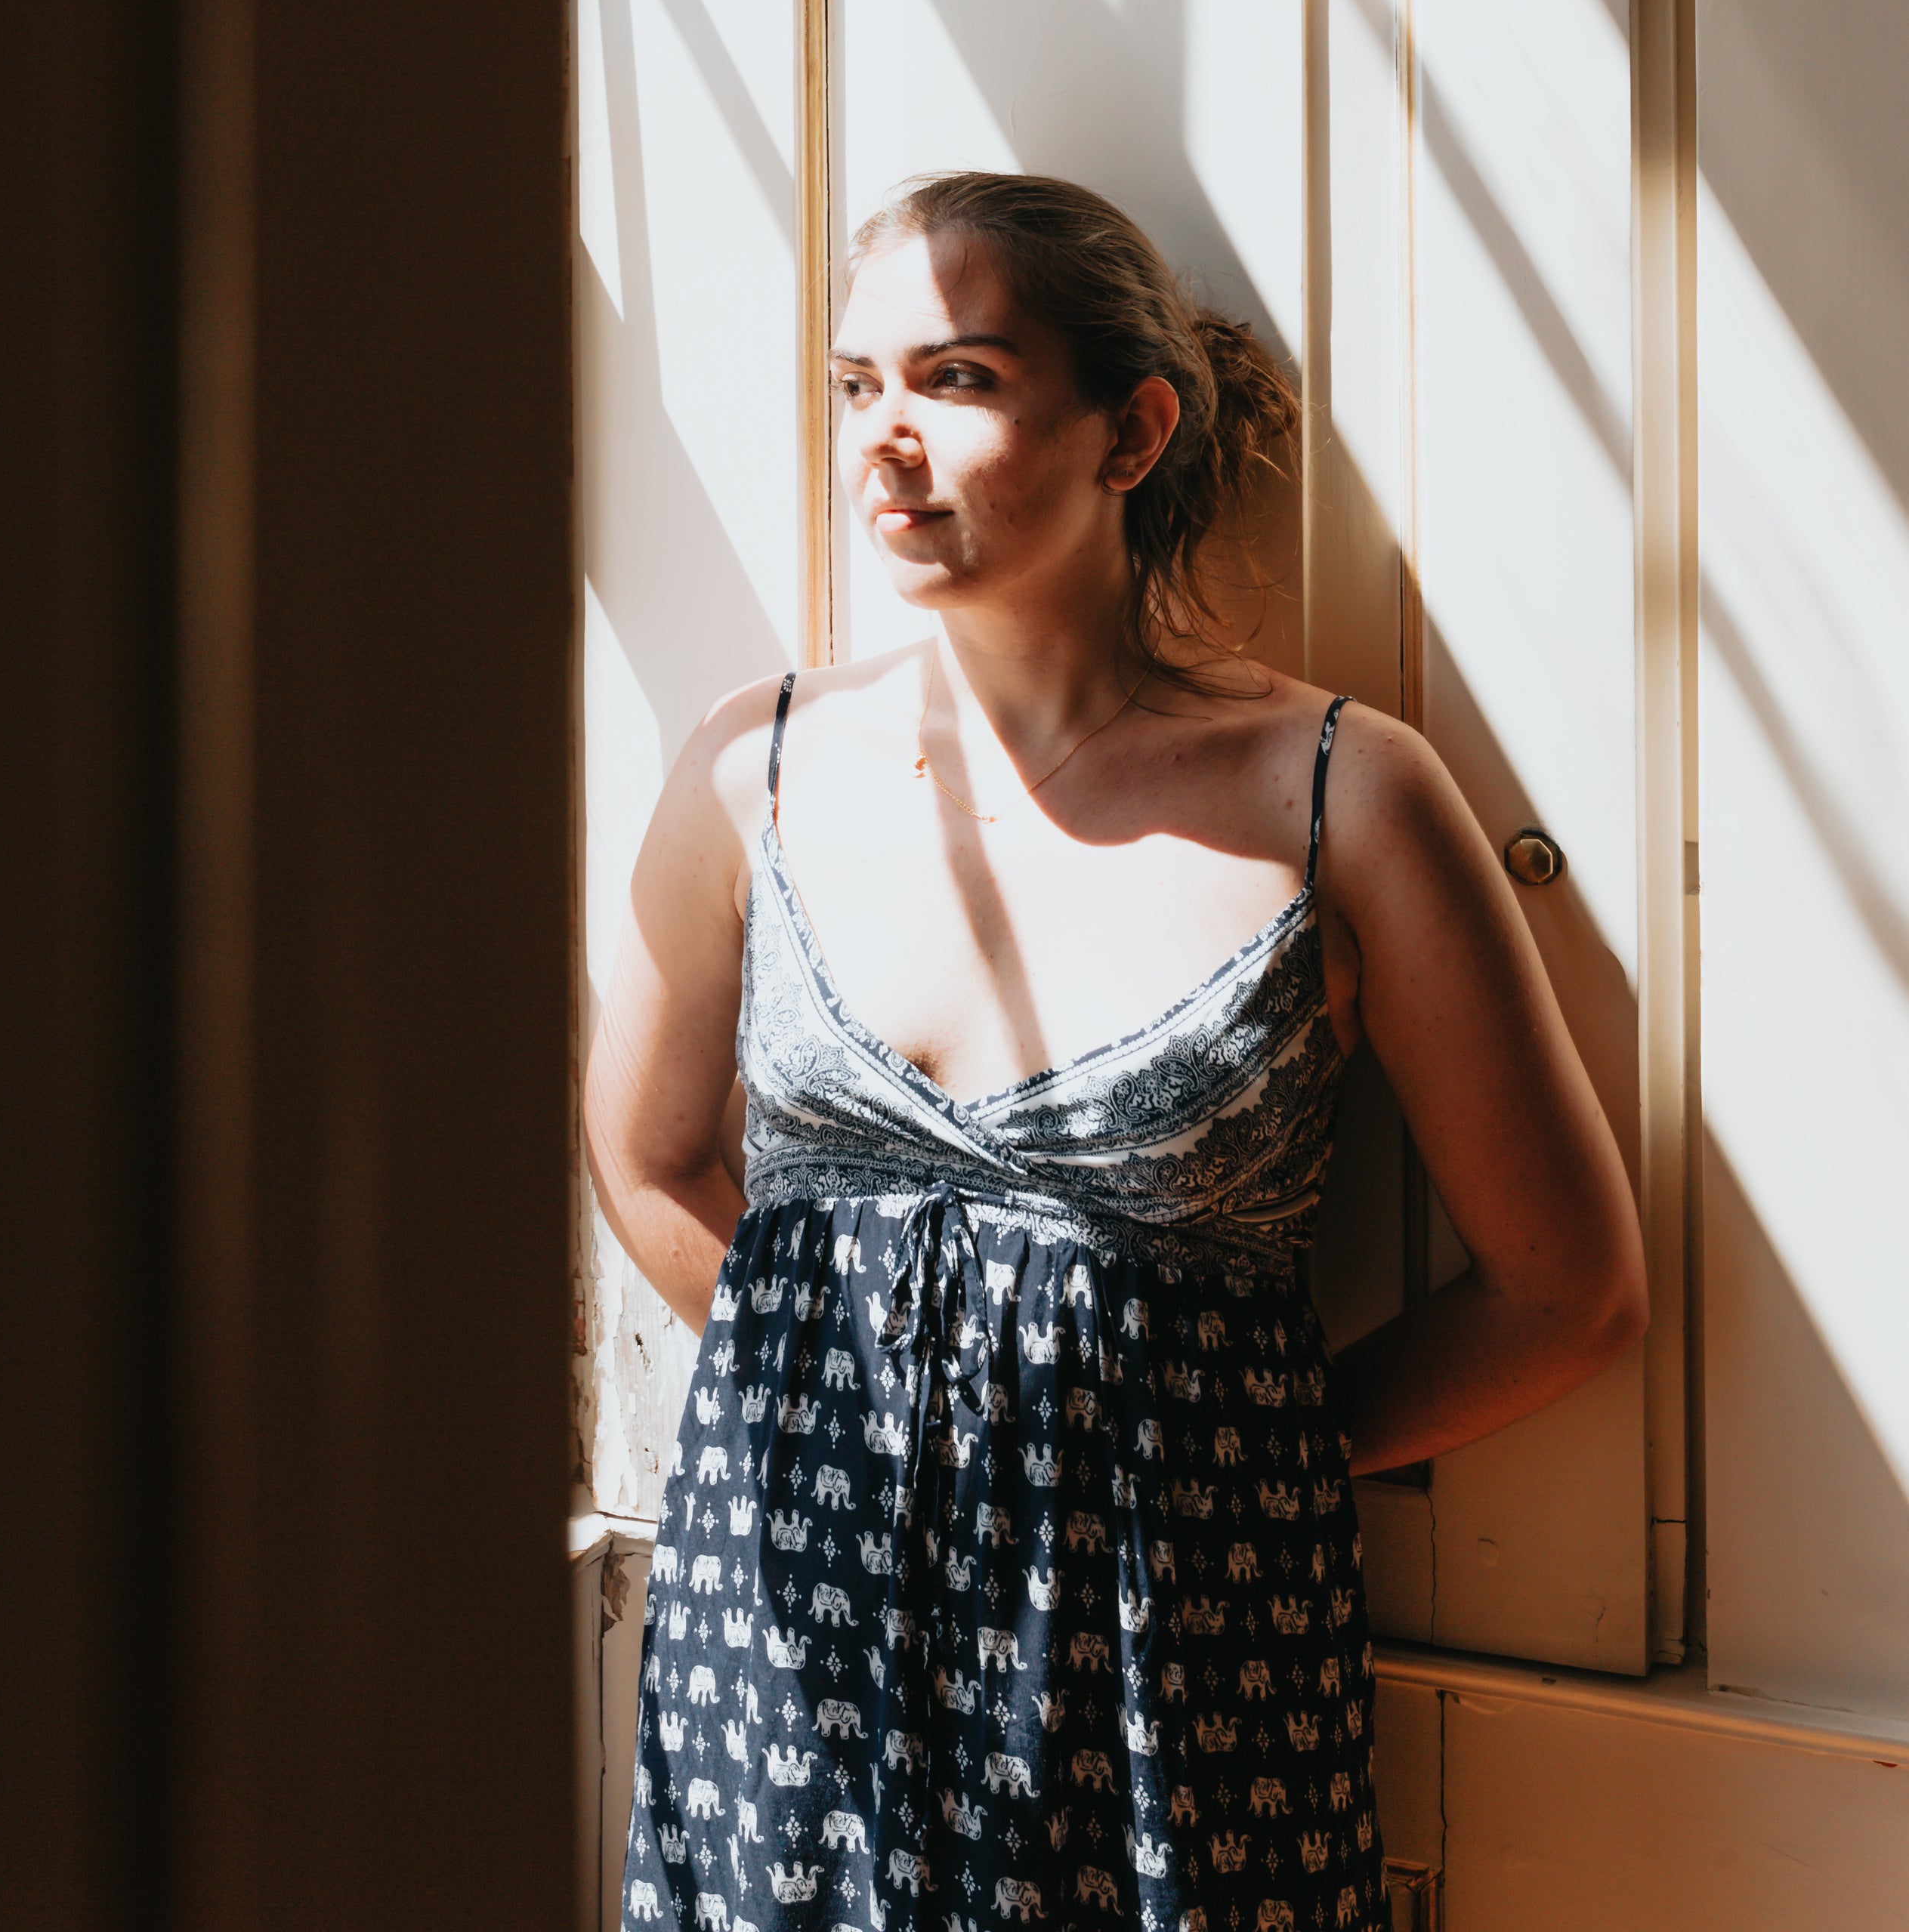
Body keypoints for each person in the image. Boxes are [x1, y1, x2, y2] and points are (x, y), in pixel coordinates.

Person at [586, 170, 1648, 1932]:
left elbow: (1568, 1287)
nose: (887, 438)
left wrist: (1191, 1450)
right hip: (784, 1646)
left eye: (961, 378)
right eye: (859, 384)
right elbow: (642, 1154)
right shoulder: (747, 766)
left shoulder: (1339, 794)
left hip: (1166, 1677)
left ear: (1133, 428)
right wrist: (857, 1406)